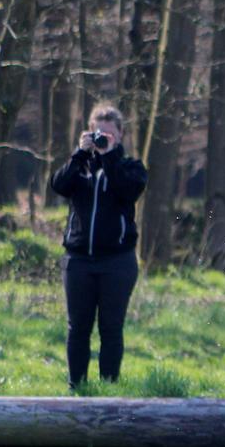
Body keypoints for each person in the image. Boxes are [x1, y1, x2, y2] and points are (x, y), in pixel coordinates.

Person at [51, 103, 148, 390]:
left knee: (111, 328)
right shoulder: (80, 167)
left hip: (117, 262)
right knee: (78, 328)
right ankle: (77, 388)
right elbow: (58, 185)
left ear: (120, 135)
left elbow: (126, 190)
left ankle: (109, 390)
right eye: (98, 133)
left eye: (109, 134)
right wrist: (79, 154)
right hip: (78, 261)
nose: (102, 138)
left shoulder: (131, 168)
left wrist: (110, 157)